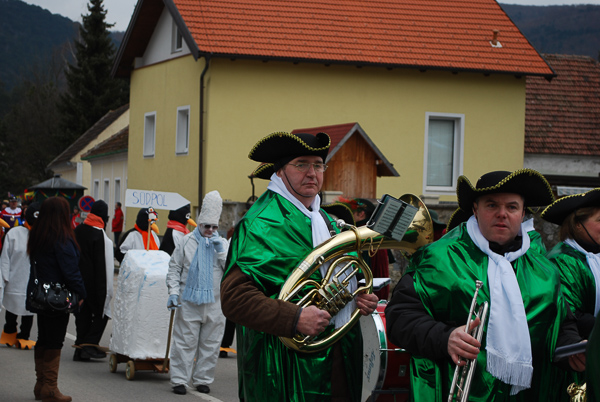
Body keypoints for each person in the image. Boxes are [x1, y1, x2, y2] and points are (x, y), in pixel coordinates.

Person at [385, 169, 585, 401]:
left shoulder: (544, 270)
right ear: (475, 209)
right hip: (452, 391)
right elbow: (399, 317)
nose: (502, 214)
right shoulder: (438, 258)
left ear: (522, 214)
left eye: (512, 207)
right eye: (491, 205)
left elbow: (561, 325)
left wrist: (571, 350)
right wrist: (445, 338)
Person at [221, 131, 379, 402]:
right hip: (281, 366)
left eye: (318, 165)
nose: (311, 173)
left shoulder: (327, 221)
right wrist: (295, 318)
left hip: (338, 362)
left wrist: (358, 298)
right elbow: (234, 299)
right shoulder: (260, 223)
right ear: (280, 171)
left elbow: (341, 280)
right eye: (301, 164)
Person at [166, 191, 228, 395]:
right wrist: (173, 292)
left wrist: (221, 252)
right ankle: (179, 380)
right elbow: (174, 268)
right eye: (206, 226)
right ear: (199, 224)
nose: (210, 230)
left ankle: (203, 379)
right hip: (189, 301)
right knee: (184, 342)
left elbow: (231, 270)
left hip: (215, 303)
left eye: (214, 227)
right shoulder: (186, 242)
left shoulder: (223, 244)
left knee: (211, 344)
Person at [26, 196, 86, 402]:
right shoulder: (62, 239)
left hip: (41, 296)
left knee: (43, 338)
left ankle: (41, 384)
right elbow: (71, 272)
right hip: (58, 298)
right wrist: (81, 293)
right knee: (55, 341)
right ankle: (50, 389)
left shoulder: (38, 236)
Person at [73, 200, 114, 361]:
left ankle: (79, 348)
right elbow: (105, 267)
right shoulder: (101, 237)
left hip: (77, 281)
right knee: (102, 314)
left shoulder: (78, 230)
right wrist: (106, 292)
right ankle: (89, 345)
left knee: (82, 315)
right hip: (95, 284)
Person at [0, 202, 40, 349]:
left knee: (29, 311)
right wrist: (4, 276)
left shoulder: (42, 236)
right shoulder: (14, 234)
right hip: (15, 279)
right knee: (12, 308)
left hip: (32, 281)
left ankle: (24, 335)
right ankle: (9, 331)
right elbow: (5, 258)